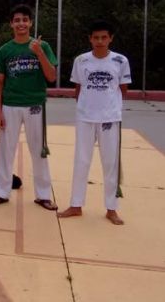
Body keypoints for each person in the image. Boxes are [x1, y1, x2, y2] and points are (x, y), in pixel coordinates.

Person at [58, 20, 131, 225]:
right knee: (81, 161)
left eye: (104, 37)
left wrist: (109, 107)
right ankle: (76, 204)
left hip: (110, 118)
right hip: (85, 117)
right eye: (96, 37)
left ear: (111, 38)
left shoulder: (120, 61)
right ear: (90, 39)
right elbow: (78, 89)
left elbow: (122, 90)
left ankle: (112, 208)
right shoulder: (81, 61)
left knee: (110, 163)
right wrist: (87, 106)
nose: (100, 41)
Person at [0, 4, 58, 210]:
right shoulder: (4, 50)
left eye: (25, 20)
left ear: (31, 23)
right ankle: (1, 192)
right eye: (17, 20)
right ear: (11, 24)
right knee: (6, 150)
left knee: (39, 150)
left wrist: (38, 53)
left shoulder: (41, 46)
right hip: (10, 105)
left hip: (35, 104)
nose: (21, 24)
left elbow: (51, 77)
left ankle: (43, 195)